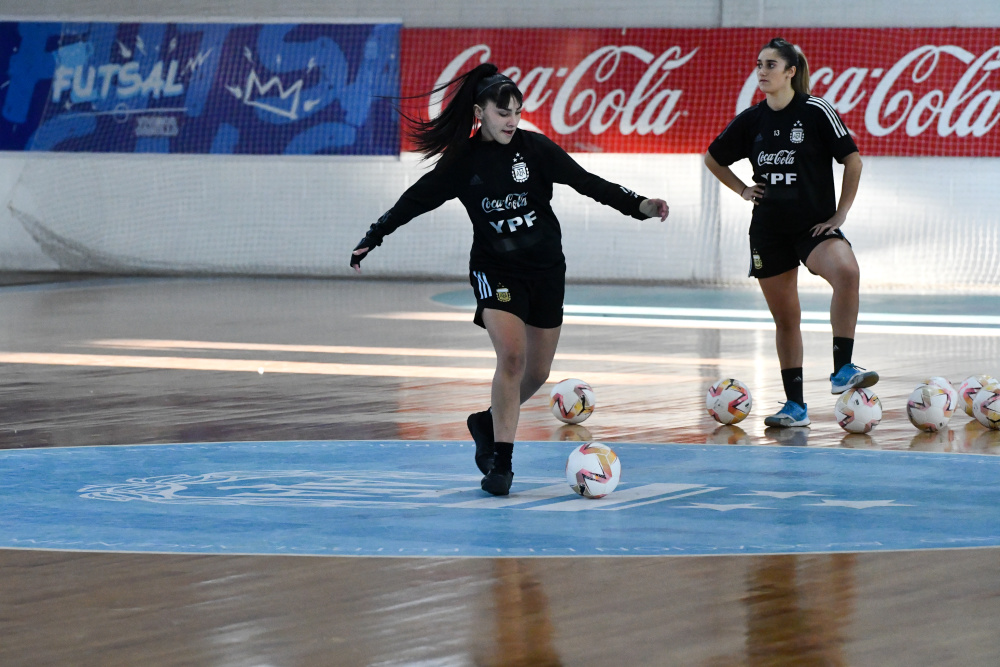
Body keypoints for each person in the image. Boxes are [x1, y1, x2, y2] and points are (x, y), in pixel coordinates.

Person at [350, 63, 669, 494]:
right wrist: (374, 236)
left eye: (517, 112)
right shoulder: (462, 161)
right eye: (503, 113)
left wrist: (640, 205)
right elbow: (415, 200)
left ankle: (485, 422)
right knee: (513, 359)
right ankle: (501, 465)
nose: (512, 120)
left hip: (546, 270)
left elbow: (588, 182)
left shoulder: (535, 149)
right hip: (495, 270)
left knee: (536, 372)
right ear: (479, 112)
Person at [704, 37, 876, 428]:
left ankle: (842, 368)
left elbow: (852, 160)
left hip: (813, 227)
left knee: (847, 272)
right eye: (759, 64)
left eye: (770, 65)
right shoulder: (752, 120)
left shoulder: (815, 110)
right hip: (769, 231)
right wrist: (743, 190)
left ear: (790, 72)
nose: (761, 71)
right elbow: (713, 158)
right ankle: (795, 407)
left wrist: (840, 214)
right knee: (786, 319)